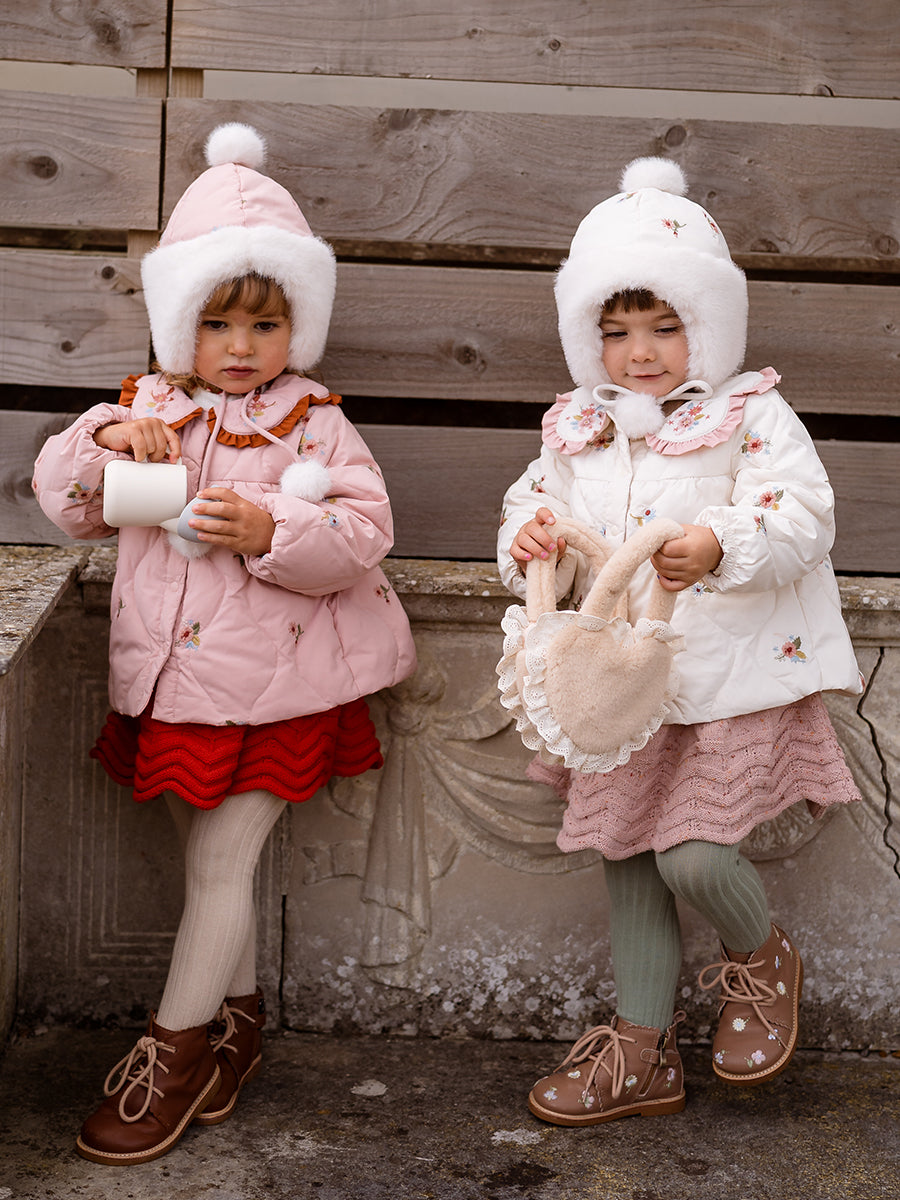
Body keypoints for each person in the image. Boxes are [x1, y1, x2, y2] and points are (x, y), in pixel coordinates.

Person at [33, 122, 417, 1164]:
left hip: (279, 692)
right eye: (215, 321)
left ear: (298, 325)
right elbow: (69, 504)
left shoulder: (314, 424)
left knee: (217, 863)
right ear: (177, 324)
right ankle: (237, 1027)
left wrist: (270, 527)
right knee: (202, 860)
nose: (241, 344)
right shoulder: (145, 408)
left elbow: (366, 529)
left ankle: (172, 1054)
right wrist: (104, 438)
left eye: (264, 321)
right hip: (171, 690)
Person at [496, 156, 863, 1126]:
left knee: (693, 858)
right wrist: (527, 538)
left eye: (664, 325)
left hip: (722, 684)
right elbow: (534, 504)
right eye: (615, 331)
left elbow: (803, 515)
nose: (640, 352)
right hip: (621, 687)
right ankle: (643, 1050)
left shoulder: (748, 413)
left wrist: (720, 543)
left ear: (708, 323)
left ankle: (761, 958)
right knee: (625, 858)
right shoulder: (579, 428)